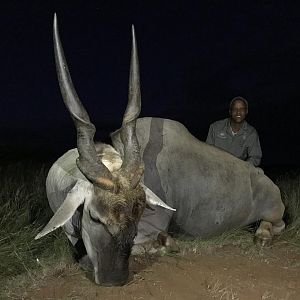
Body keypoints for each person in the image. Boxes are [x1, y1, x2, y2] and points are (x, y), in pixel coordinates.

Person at [206, 96, 262, 166]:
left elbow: (255, 158)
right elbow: (207, 152)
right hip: (216, 167)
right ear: (230, 111)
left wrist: (242, 167)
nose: (238, 112)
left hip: (237, 170)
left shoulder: (252, 133)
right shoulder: (215, 127)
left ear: (246, 111)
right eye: (235, 109)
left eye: (242, 109)